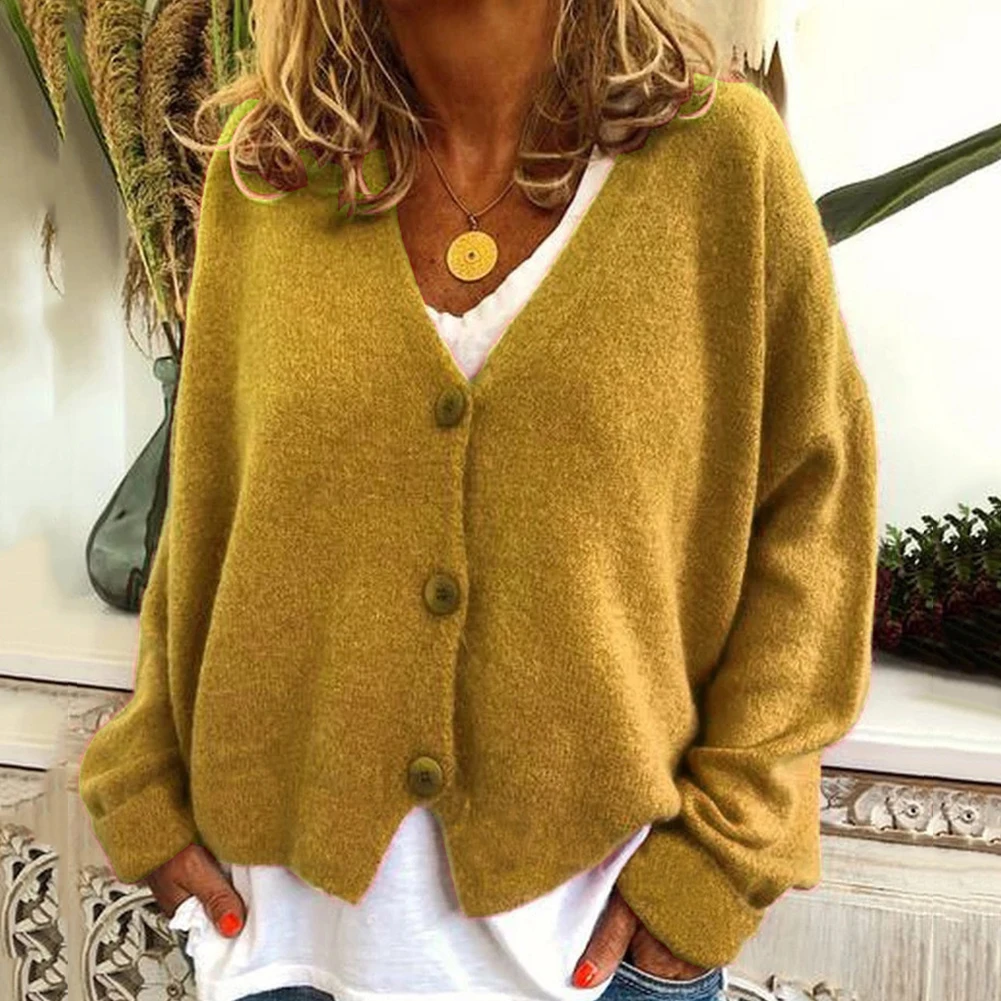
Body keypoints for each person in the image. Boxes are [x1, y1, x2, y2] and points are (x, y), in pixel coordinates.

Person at [77, 1, 880, 1000]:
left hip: (592, 955)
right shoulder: (268, 175)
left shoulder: (719, 166)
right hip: (287, 944)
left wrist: (721, 857)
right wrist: (146, 788)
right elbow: (206, 511)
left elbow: (814, 518)